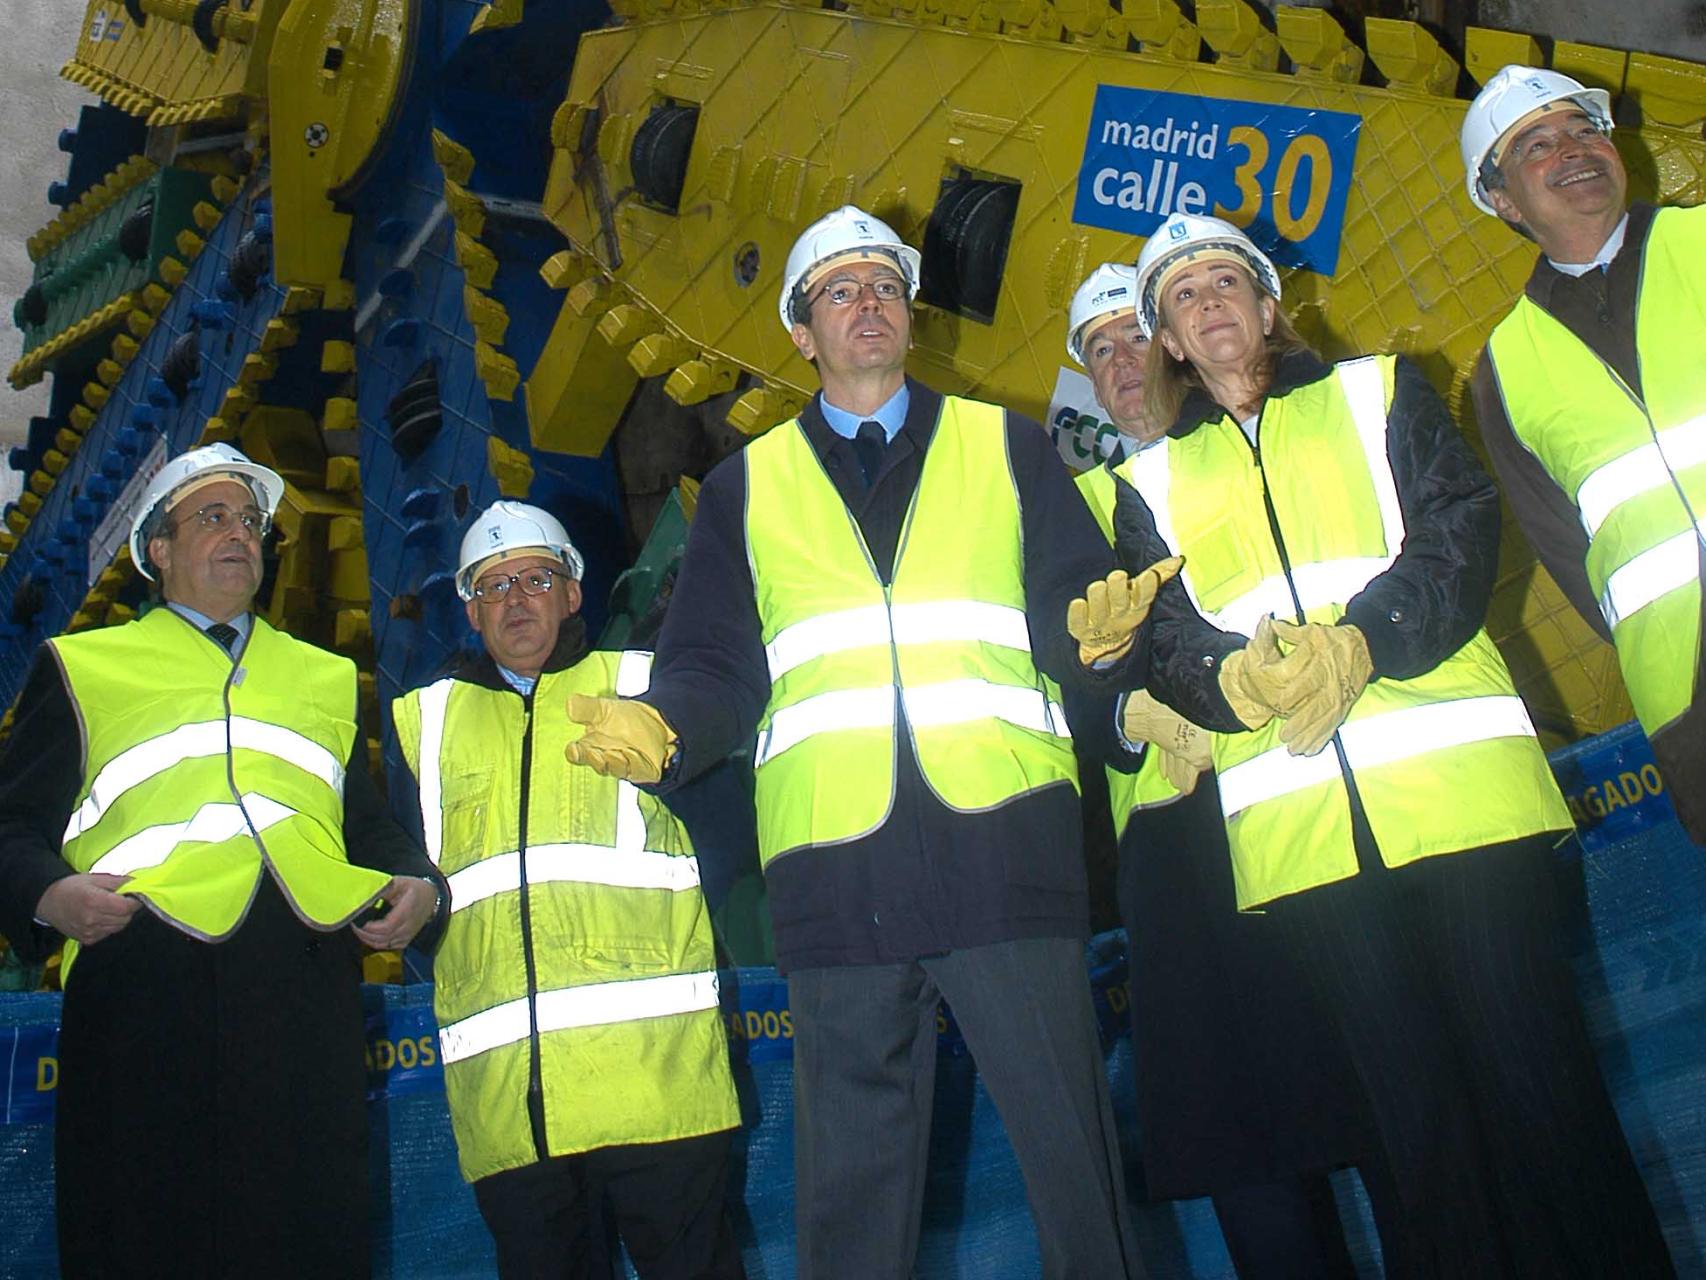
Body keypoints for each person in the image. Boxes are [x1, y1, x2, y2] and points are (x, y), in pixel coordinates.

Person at [560, 205, 1167, 1279]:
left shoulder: (1004, 443)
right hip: (835, 878)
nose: (866, 305)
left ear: (909, 313)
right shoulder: (746, 488)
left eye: (882, 285)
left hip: (1004, 851)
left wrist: (1100, 638)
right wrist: (664, 723)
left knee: (1077, 1168)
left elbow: (1069, 603)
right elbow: (712, 664)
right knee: (850, 1203)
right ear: (801, 334)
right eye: (838, 291)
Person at [1092, 212, 1673, 1276]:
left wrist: (1366, 639)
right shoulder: (1147, 490)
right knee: (1414, 1145)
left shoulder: (1382, 394)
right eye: (1183, 296)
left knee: (1546, 1102)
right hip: (1308, 856)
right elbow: (1163, 645)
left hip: (1465, 817)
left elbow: (1458, 522)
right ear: (1166, 339)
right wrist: (1222, 679)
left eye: (1227, 281)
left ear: (1269, 307)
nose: (1209, 303)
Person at [0, 442, 443, 1278]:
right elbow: (11, 828)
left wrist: (422, 885)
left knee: (307, 1235)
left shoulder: (322, 677)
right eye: (212, 517)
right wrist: (50, 896)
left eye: (250, 520)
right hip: (142, 979)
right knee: (144, 1231)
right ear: (157, 550)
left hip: (303, 988)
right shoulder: (83, 667)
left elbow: (364, 827)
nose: (239, 532)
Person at [1065, 265, 1391, 1278]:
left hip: (1318, 800)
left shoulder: (1288, 444)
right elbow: (1040, 685)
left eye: (1135, 333)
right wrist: (1125, 709)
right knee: (1246, 1137)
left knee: (1389, 1088)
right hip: (1181, 850)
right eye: (1099, 348)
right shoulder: (1074, 509)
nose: (1125, 361)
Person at [391, 501, 743, 1279]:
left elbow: (731, 838)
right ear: (471, 608)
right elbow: (403, 874)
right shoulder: (426, 727)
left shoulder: (646, 690)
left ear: (574, 593)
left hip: (658, 1093)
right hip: (514, 1115)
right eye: (496, 585)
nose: (517, 599)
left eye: (538, 578)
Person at [1462, 64, 1706, 844]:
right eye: (1537, 143)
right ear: (1502, 199)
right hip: (1687, 696)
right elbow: (1570, 551)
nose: (1572, 149)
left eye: (1583, 128)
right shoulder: (1507, 369)